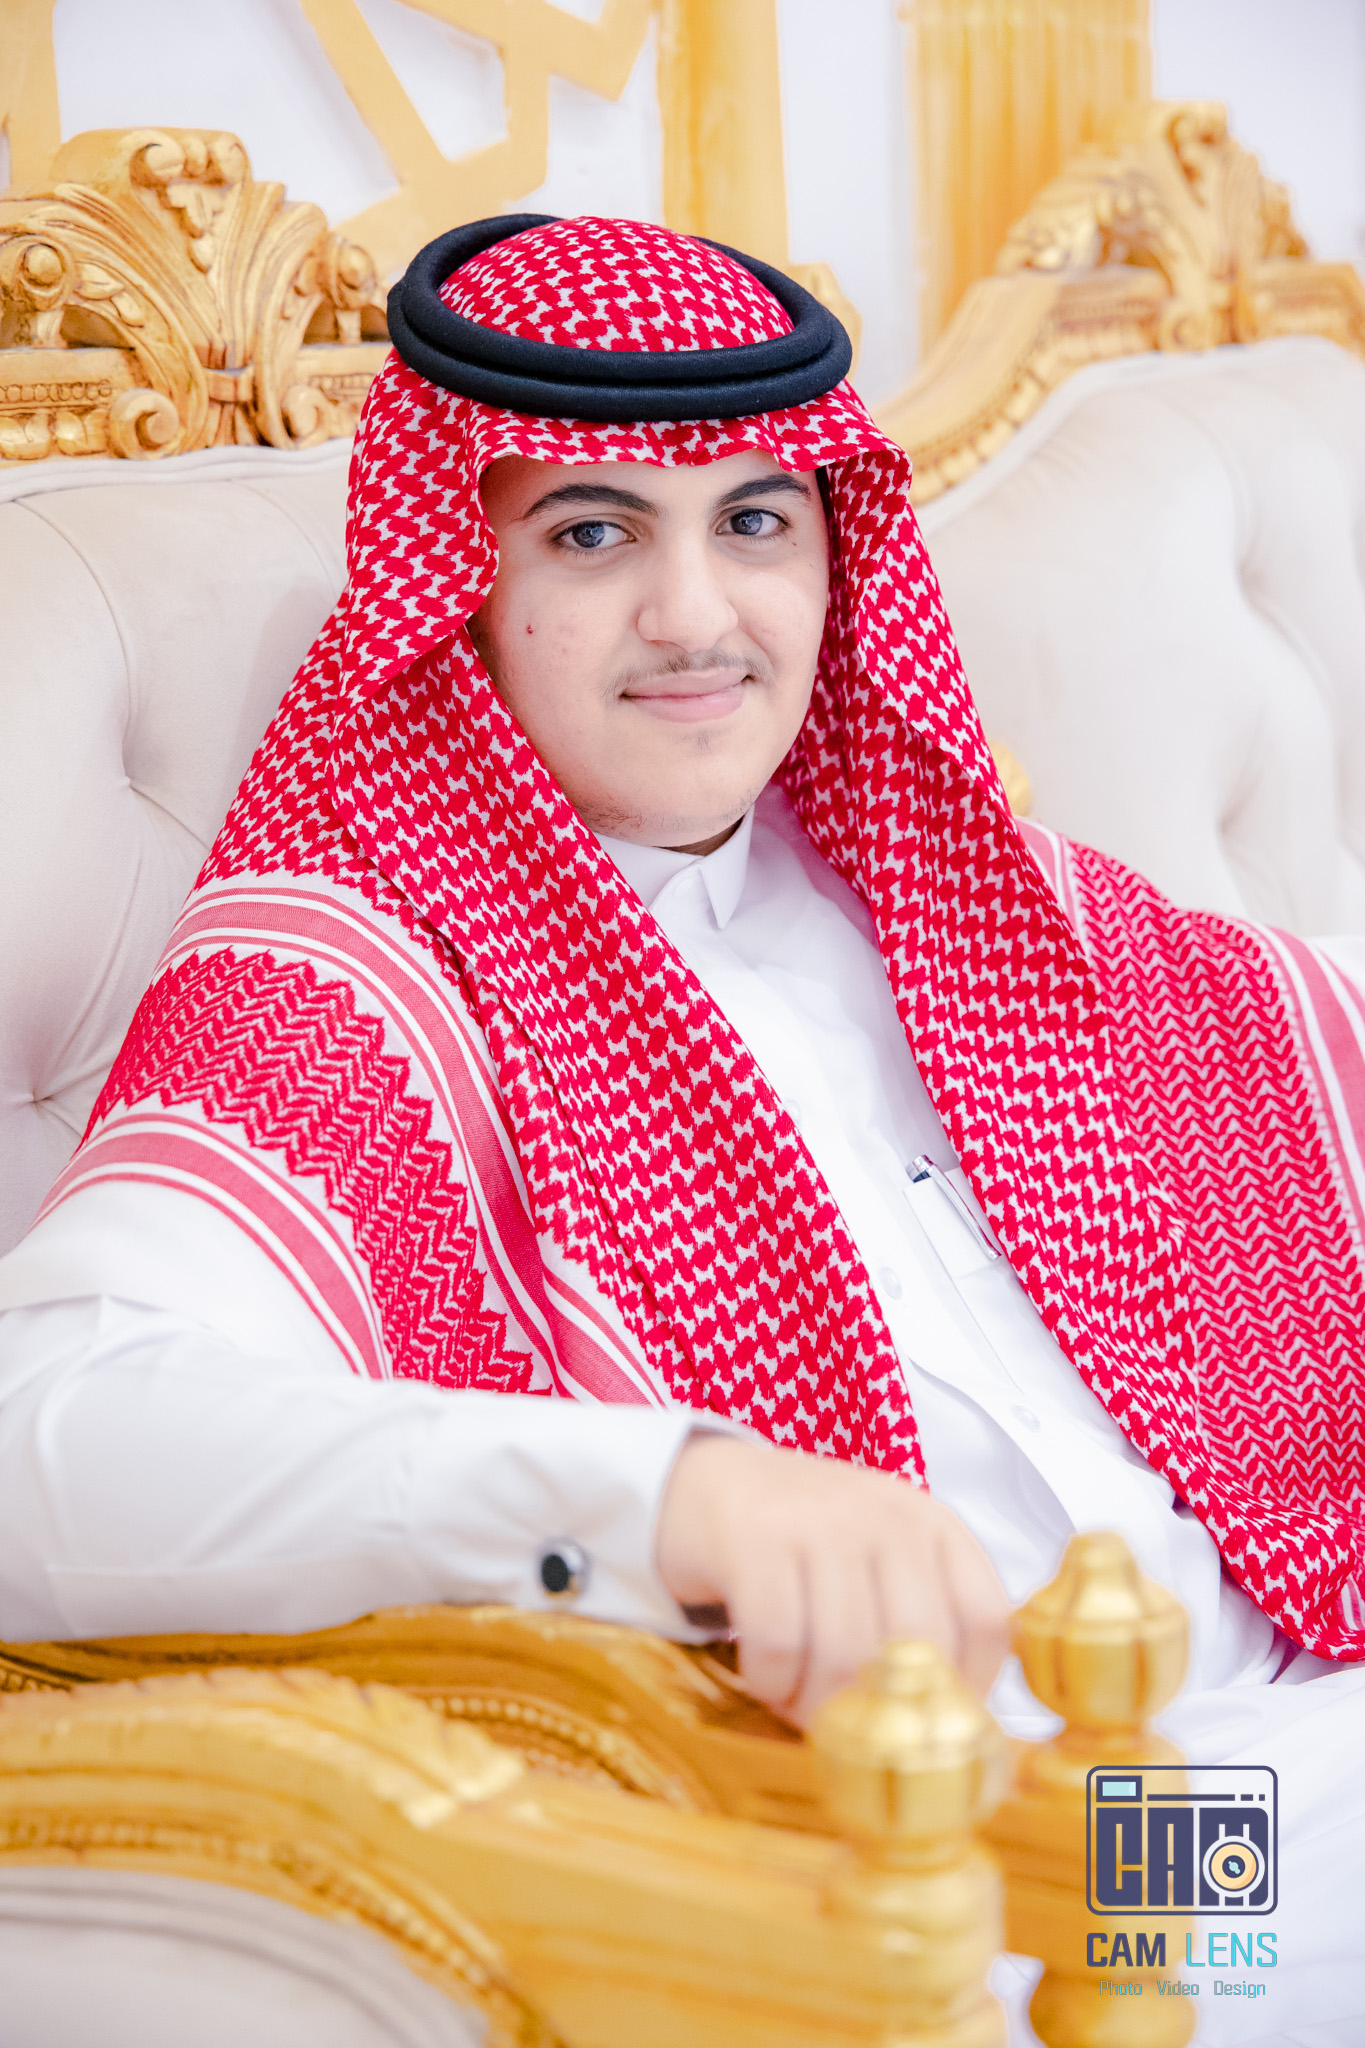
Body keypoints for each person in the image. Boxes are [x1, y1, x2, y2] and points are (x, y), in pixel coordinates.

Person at [0, 214, 1362, 2041]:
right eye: (592, 532)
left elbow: (1306, 1054)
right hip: (1050, 1884)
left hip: (1303, 1722)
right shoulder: (358, 977)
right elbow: (48, 1434)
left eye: (754, 522)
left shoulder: (951, 883)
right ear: (459, 577)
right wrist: (673, 1495)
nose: (698, 617)